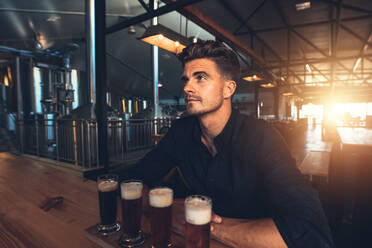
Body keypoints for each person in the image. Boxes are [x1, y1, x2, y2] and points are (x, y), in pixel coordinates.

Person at [118, 40, 333, 248]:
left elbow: (311, 232)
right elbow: (129, 179)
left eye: (200, 78)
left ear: (228, 89)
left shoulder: (262, 138)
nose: (187, 88)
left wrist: (206, 227)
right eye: (186, 80)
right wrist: (160, 206)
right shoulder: (181, 132)